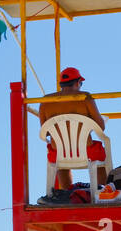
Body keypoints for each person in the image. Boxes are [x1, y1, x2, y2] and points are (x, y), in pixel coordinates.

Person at [38, 67, 108, 195]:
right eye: (81, 83)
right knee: (100, 155)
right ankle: (102, 191)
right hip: (87, 151)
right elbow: (101, 126)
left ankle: (67, 193)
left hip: (59, 153)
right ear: (77, 83)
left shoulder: (45, 101)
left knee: (60, 152)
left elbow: (46, 131)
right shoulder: (85, 97)